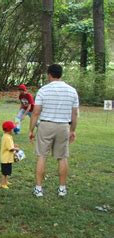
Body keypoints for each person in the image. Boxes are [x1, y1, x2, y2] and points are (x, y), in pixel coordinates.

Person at [29, 64, 79, 198]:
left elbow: (36, 112)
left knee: (42, 156)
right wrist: (72, 130)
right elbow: (74, 114)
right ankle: (62, 188)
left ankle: (38, 189)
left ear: (49, 74)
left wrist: (31, 129)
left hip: (46, 125)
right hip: (63, 126)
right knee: (62, 157)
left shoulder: (43, 90)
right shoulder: (72, 91)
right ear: (61, 74)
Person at [0, 121, 19, 189]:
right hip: (6, 159)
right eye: (13, 129)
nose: (14, 130)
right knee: (4, 172)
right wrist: (16, 149)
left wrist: (14, 145)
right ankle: (2, 184)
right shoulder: (7, 137)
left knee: (7, 171)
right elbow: (10, 149)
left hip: (7, 158)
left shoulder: (7, 136)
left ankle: (6, 181)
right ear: (9, 130)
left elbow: (9, 145)